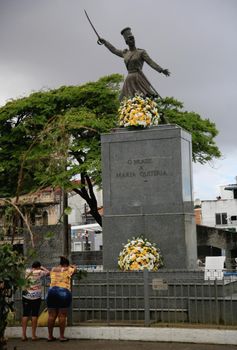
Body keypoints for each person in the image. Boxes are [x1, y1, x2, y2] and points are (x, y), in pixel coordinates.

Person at [99, 27, 170, 101]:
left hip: (139, 77)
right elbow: (114, 50)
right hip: (129, 79)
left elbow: (150, 62)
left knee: (143, 97)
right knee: (124, 99)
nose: (132, 40)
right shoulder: (125, 53)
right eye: (130, 39)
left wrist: (161, 70)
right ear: (126, 42)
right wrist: (105, 42)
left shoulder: (141, 52)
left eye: (133, 38)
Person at [46, 256, 77, 342]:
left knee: (51, 315)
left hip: (51, 292)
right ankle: (62, 336)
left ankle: (50, 336)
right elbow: (75, 269)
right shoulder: (68, 269)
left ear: (60, 264)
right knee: (62, 315)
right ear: (67, 264)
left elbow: (48, 273)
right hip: (63, 292)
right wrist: (71, 266)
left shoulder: (53, 269)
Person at [21, 261, 49, 341]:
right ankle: (33, 335)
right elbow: (48, 273)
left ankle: (23, 335)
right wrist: (42, 267)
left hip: (26, 295)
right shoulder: (40, 272)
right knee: (34, 315)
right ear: (38, 267)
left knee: (25, 314)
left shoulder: (27, 271)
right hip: (36, 296)